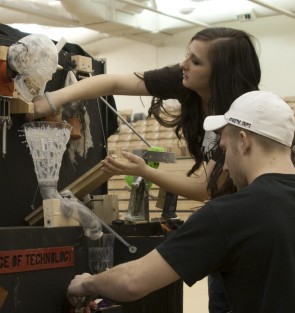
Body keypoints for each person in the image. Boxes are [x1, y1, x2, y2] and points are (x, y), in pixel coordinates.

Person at [32, 27, 261, 312]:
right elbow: (115, 82)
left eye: (196, 61)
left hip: (253, 229)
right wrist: (55, 99)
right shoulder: (184, 79)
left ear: (221, 74)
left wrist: (145, 170)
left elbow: (205, 188)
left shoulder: (239, 114)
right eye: (187, 54)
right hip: (229, 218)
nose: (183, 64)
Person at [67, 90, 295, 312]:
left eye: (224, 150)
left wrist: (87, 282)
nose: (224, 166)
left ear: (243, 141)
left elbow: (132, 281)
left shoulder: (232, 213)